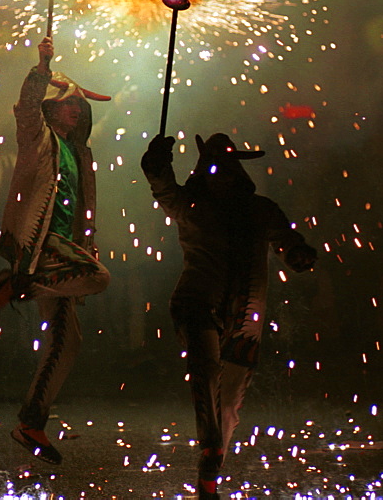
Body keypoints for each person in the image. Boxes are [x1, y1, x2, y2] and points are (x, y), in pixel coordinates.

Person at [140, 133, 317, 500]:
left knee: (230, 402)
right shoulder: (190, 204)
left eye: (226, 168)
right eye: (212, 167)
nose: (219, 175)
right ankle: (210, 452)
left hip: (246, 317)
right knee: (205, 376)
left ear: (237, 171)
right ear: (203, 171)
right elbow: (163, 189)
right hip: (197, 302)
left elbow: (286, 240)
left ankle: (210, 476)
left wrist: (298, 253)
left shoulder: (260, 210)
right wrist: (157, 164)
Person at [0, 35, 111, 465]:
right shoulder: (37, 138)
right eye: (68, 103)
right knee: (99, 276)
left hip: (62, 252)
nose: (76, 109)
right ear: (51, 109)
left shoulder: (78, 153)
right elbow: (27, 106)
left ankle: (31, 423)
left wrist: (86, 241)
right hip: (40, 247)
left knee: (66, 343)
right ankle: (16, 285)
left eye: (79, 106)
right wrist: (42, 66)